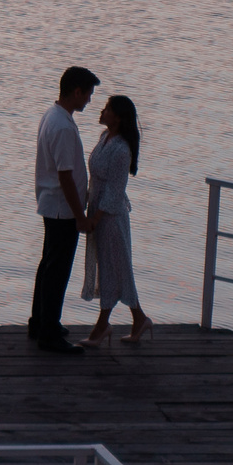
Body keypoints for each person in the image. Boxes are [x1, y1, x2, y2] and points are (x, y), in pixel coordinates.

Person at [30, 67, 99, 353]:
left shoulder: (54, 116)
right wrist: (80, 216)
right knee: (57, 270)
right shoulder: (61, 126)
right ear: (77, 91)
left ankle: (41, 322)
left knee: (48, 264)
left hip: (53, 205)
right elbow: (66, 176)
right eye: (88, 94)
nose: (90, 101)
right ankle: (49, 333)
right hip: (62, 209)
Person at [84, 95, 153, 346]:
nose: (102, 111)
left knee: (116, 267)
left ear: (118, 117)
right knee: (113, 267)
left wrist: (96, 218)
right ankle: (138, 318)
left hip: (111, 217)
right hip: (98, 211)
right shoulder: (105, 139)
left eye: (108, 109)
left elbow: (115, 190)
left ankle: (104, 326)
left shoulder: (122, 149)